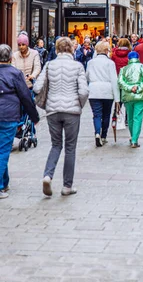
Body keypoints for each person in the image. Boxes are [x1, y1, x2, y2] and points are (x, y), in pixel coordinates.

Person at [34, 37, 89, 197]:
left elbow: (37, 87)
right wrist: (79, 105)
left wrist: (46, 102)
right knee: (70, 148)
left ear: (57, 49)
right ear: (72, 49)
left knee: (56, 145)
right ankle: (67, 186)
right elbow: (84, 91)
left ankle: (47, 175)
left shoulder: (50, 65)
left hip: (52, 110)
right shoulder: (78, 66)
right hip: (72, 111)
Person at [0, 44, 40, 199]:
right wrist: (34, 117)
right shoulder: (15, 74)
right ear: (11, 58)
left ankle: (5, 181)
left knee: (2, 148)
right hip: (9, 116)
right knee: (3, 150)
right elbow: (25, 97)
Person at [86, 41, 119, 147]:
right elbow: (114, 80)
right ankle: (103, 136)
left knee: (96, 114)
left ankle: (97, 133)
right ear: (106, 51)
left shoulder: (91, 62)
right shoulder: (110, 63)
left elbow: (87, 76)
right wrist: (117, 98)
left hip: (94, 90)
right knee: (106, 115)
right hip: (107, 91)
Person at [118, 51, 143, 148]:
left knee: (130, 117)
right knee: (137, 117)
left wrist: (129, 88)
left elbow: (120, 81)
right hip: (140, 96)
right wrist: (139, 88)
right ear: (138, 58)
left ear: (128, 59)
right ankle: (134, 139)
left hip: (128, 96)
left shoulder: (123, 69)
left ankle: (133, 136)